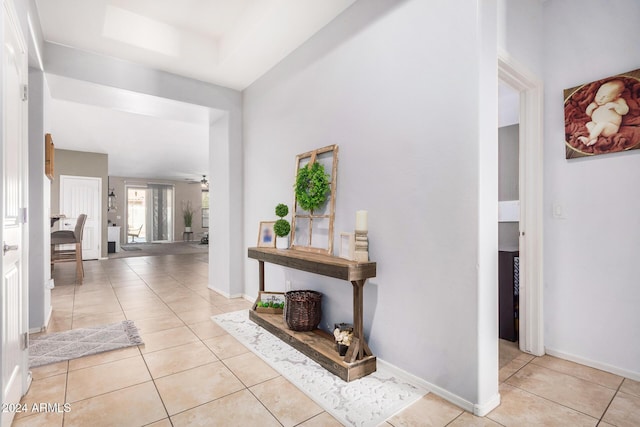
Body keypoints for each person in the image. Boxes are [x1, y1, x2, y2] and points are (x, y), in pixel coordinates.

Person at [578, 80, 629, 146]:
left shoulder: (618, 101)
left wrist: (616, 106)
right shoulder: (597, 103)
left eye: (605, 97)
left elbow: (625, 111)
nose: (600, 99)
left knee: (602, 124)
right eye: (598, 95)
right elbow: (588, 115)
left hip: (610, 127)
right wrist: (590, 108)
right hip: (596, 126)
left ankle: (589, 138)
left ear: (616, 96)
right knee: (589, 124)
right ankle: (594, 138)